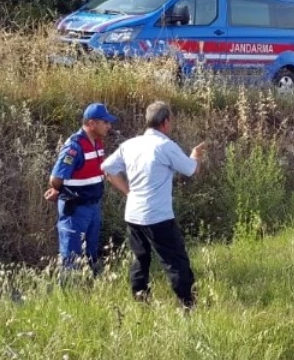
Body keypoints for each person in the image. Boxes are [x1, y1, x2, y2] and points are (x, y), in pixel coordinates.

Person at [101, 101, 206, 307]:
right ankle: (189, 304)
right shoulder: (165, 146)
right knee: (175, 261)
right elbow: (192, 170)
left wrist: (128, 192)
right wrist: (196, 155)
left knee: (140, 259)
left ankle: (141, 300)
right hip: (158, 216)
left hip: (133, 214)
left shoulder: (129, 145)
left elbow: (107, 168)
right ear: (166, 122)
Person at [44, 103, 117, 273]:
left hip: (93, 206)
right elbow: (56, 179)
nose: (109, 126)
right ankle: (69, 290)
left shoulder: (97, 143)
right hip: (75, 209)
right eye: (105, 122)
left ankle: (90, 287)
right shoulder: (74, 147)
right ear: (92, 123)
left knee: (91, 252)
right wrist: (58, 190)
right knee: (71, 256)